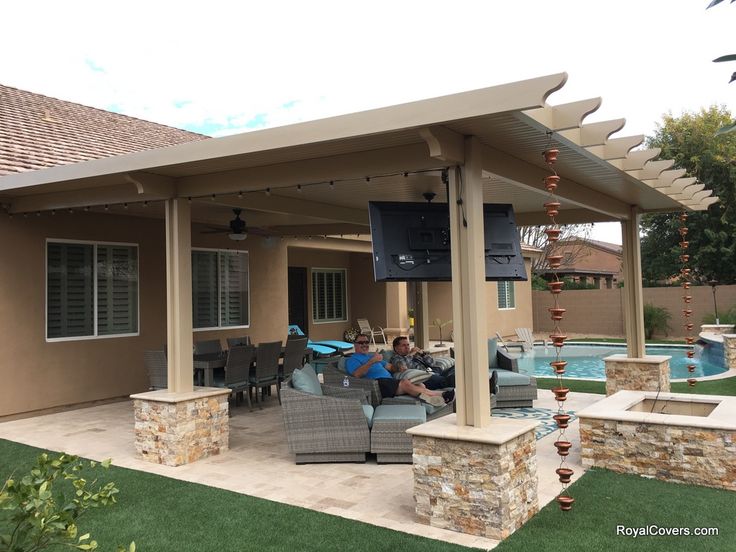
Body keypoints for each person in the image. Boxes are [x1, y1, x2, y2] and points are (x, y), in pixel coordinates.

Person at [345, 335, 454, 407]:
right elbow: (357, 374)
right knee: (406, 383)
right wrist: (371, 362)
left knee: (420, 384)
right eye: (361, 342)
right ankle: (442, 395)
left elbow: (391, 367)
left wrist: (398, 368)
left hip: (389, 381)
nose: (364, 344)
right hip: (377, 384)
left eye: (366, 342)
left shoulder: (373, 356)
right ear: (354, 344)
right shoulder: (352, 359)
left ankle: (430, 399)